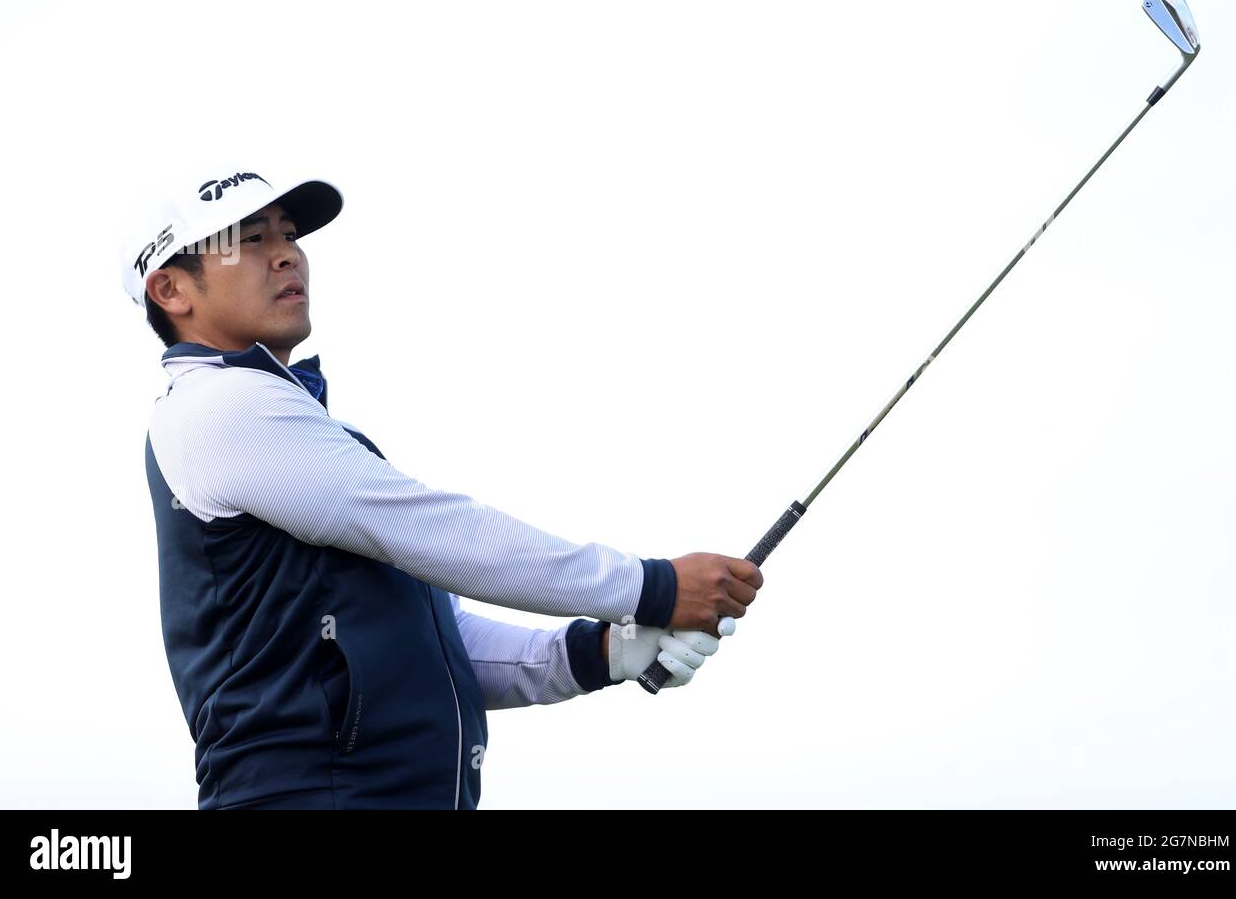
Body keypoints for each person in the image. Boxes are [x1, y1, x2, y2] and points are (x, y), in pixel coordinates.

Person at [121, 165, 763, 809]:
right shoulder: (214, 405)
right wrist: (652, 588)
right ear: (172, 289)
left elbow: (440, 644)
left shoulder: (291, 425)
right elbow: (438, 534)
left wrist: (604, 651)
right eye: (251, 239)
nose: (288, 253)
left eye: (288, 234)